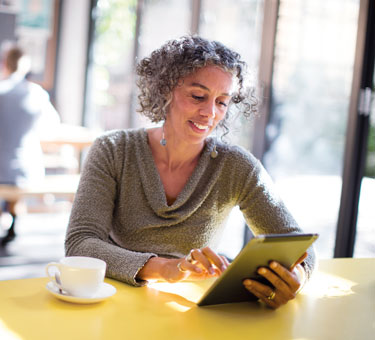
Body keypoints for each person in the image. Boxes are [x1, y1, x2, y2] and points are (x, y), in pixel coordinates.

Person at [65, 35, 315, 309]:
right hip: (113, 299)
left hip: (192, 307)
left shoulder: (236, 166)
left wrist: (296, 278)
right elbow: (81, 243)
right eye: (198, 96)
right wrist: (167, 268)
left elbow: (299, 246)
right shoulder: (114, 150)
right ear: (165, 90)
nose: (210, 112)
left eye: (222, 102)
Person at [0, 44, 60, 243]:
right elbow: (52, 128)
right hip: (26, 171)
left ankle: (7, 218)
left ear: (4, 64)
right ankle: (13, 222)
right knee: (18, 161)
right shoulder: (37, 94)